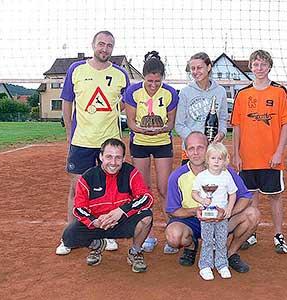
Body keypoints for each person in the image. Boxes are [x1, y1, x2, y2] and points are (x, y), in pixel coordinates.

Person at [56, 30, 130, 255]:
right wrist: (70, 134)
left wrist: (113, 111)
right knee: (78, 188)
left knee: (109, 191)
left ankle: (106, 234)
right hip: (82, 141)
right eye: (101, 44)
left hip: (109, 144)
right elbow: (67, 102)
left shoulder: (120, 74)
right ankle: (70, 236)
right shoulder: (76, 70)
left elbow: (127, 102)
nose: (105, 49)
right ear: (93, 45)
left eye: (109, 45)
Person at [165, 131, 260, 273]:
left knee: (253, 214)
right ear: (185, 151)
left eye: (200, 147)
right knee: (174, 235)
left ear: (208, 147)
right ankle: (192, 247)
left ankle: (231, 253)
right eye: (191, 148)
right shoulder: (177, 176)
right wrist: (196, 210)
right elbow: (173, 210)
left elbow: (245, 196)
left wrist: (227, 213)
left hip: (221, 219)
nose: (196, 152)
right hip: (192, 221)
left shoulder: (224, 171)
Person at [231, 50, 287, 254]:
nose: (259, 68)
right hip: (248, 157)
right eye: (256, 64)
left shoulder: (279, 91)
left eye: (263, 64)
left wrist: (279, 152)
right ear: (250, 67)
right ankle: (252, 233)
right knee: (251, 196)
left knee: (275, 196)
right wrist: (236, 153)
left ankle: (278, 235)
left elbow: (286, 124)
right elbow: (237, 127)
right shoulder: (243, 94)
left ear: (269, 66)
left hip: (271, 157)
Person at [57, 138, 154, 272]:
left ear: (123, 158)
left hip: (122, 220)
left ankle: (135, 252)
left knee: (146, 217)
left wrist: (121, 211)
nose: (113, 163)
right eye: (109, 157)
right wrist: (94, 222)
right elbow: (79, 208)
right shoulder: (88, 177)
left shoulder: (131, 172)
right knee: (69, 237)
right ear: (101, 156)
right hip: (98, 223)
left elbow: (147, 198)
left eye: (118, 158)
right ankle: (97, 244)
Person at [123, 51, 179, 254]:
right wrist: (141, 129)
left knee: (164, 189)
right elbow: (130, 122)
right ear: (143, 77)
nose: (153, 85)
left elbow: (171, 123)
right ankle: (149, 235)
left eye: (157, 81)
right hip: (140, 142)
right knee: (144, 189)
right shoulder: (133, 92)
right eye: (149, 81)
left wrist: (162, 129)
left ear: (162, 78)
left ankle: (172, 235)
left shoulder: (170, 93)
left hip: (162, 141)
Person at [192, 143, 237, 280]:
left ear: (225, 161)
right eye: (213, 158)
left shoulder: (226, 175)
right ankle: (205, 266)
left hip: (221, 216)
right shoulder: (201, 176)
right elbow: (194, 193)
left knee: (221, 240)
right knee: (207, 241)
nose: (216, 161)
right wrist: (202, 200)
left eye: (220, 158)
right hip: (206, 216)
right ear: (207, 159)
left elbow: (233, 193)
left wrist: (229, 209)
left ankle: (222, 264)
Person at [175, 52, 228, 164]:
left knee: (212, 181)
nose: (195, 72)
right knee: (190, 181)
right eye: (192, 68)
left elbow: (223, 119)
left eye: (199, 68)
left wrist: (221, 134)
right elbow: (179, 124)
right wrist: (196, 141)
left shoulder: (220, 91)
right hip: (192, 150)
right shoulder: (185, 92)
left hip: (213, 151)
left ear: (208, 67)